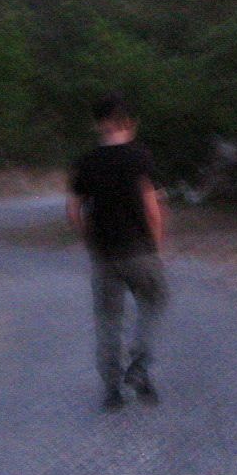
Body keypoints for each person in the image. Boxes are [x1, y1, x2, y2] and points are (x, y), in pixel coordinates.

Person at [67, 92, 169, 412]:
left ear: (98, 124)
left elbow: (73, 209)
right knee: (154, 302)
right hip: (139, 251)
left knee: (109, 320)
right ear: (130, 122)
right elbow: (152, 208)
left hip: (104, 255)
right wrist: (157, 248)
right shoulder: (141, 157)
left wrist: (89, 240)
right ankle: (139, 365)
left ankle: (112, 390)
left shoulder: (86, 162)